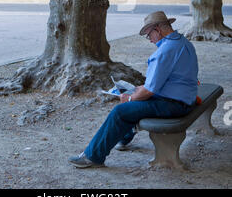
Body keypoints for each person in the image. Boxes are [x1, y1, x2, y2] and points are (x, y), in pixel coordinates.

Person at [69, 11, 198, 168]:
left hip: (175, 105)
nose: (149, 39)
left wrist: (129, 98)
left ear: (158, 29)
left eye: (149, 34)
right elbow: (168, 79)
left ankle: (93, 157)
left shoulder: (165, 51)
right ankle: (123, 138)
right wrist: (139, 90)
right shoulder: (183, 42)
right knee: (134, 102)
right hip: (186, 98)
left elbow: (149, 91)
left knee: (121, 110)